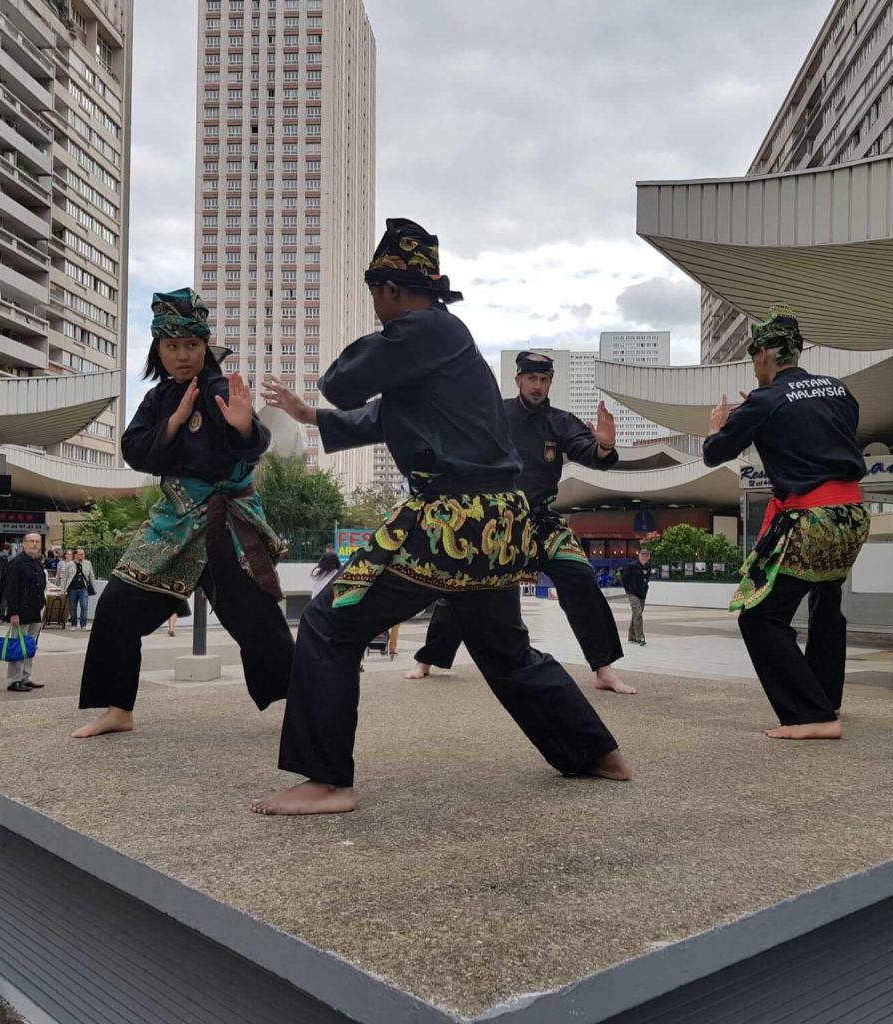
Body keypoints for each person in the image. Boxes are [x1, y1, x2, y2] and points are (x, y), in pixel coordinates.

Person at [254, 218, 629, 815]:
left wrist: (328, 392)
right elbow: (382, 416)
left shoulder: (424, 329)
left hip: (448, 518)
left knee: (330, 623)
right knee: (506, 654)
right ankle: (594, 752)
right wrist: (311, 417)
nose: (375, 306)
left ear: (389, 290)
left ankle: (327, 781)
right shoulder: (449, 348)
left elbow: (346, 381)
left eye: (376, 293)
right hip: (501, 522)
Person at [72, 288, 295, 739]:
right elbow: (135, 451)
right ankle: (119, 709)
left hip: (226, 521)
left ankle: (305, 705)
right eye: (172, 346)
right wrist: (174, 421)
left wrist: (245, 427)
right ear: (158, 349)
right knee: (115, 606)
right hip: (172, 520)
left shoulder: (219, 390)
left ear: (205, 346)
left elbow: (248, 450)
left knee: (257, 620)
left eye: (191, 346)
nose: (182, 355)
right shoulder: (157, 399)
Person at [400, 350, 635, 694]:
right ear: (518, 380)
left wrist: (605, 444)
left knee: (580, 576)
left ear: (550, 381)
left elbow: (592, 454)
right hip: (496, 519)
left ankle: (603, 669)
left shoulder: (560, 421)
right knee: (461, 585)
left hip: (541, 520)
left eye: (543, 380)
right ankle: (427, 659)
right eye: (531, 379)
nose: (537, 386)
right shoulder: (495, 415)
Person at [702, 303, 869, 741]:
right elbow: (819, 434)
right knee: (826, 601)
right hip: (852, 514)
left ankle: (811, 715)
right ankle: (827, 699)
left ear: (763, 355)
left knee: (759, 617)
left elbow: (714, 453)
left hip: (812, 519)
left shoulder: (766, 399)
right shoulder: (838, 390)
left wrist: (723, 424)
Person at [1, 532, 46, 692]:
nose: (34, 544)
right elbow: (11, 590)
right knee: (17, 646)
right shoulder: (17, 563)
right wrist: (13, 613)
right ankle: (14, 680)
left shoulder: (37, 562)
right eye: (31, 541)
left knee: (30, 646)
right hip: (20, 612)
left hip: (35, 611)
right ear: (24, 544)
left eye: (37, 541)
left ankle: (25, 677)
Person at [59, 548, 95, 630]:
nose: (82, 556)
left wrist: (94, 588)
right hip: (72, 589)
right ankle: (73, 624)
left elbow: (91, 576)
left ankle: (83, 625)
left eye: (83, 554)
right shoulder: (70, 564)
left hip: (83, 588)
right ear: (75, 555)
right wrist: (62, 590)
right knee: (73, 607)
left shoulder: (88, 563)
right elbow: (64, 578)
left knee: (84, 606)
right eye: (80, 554)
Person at [621, 548, 651, 646]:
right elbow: (624, 578)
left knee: (636, 615)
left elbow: (646, 580)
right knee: (638, 613)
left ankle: (631, 636)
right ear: (639, 556)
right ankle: (640, 637)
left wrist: (645, 589)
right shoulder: (632, 566)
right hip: (633, 593)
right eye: (642, 555)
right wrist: (629, 590)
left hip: (642, 594)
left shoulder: (647, 567)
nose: (644, 557)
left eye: (646, 556)